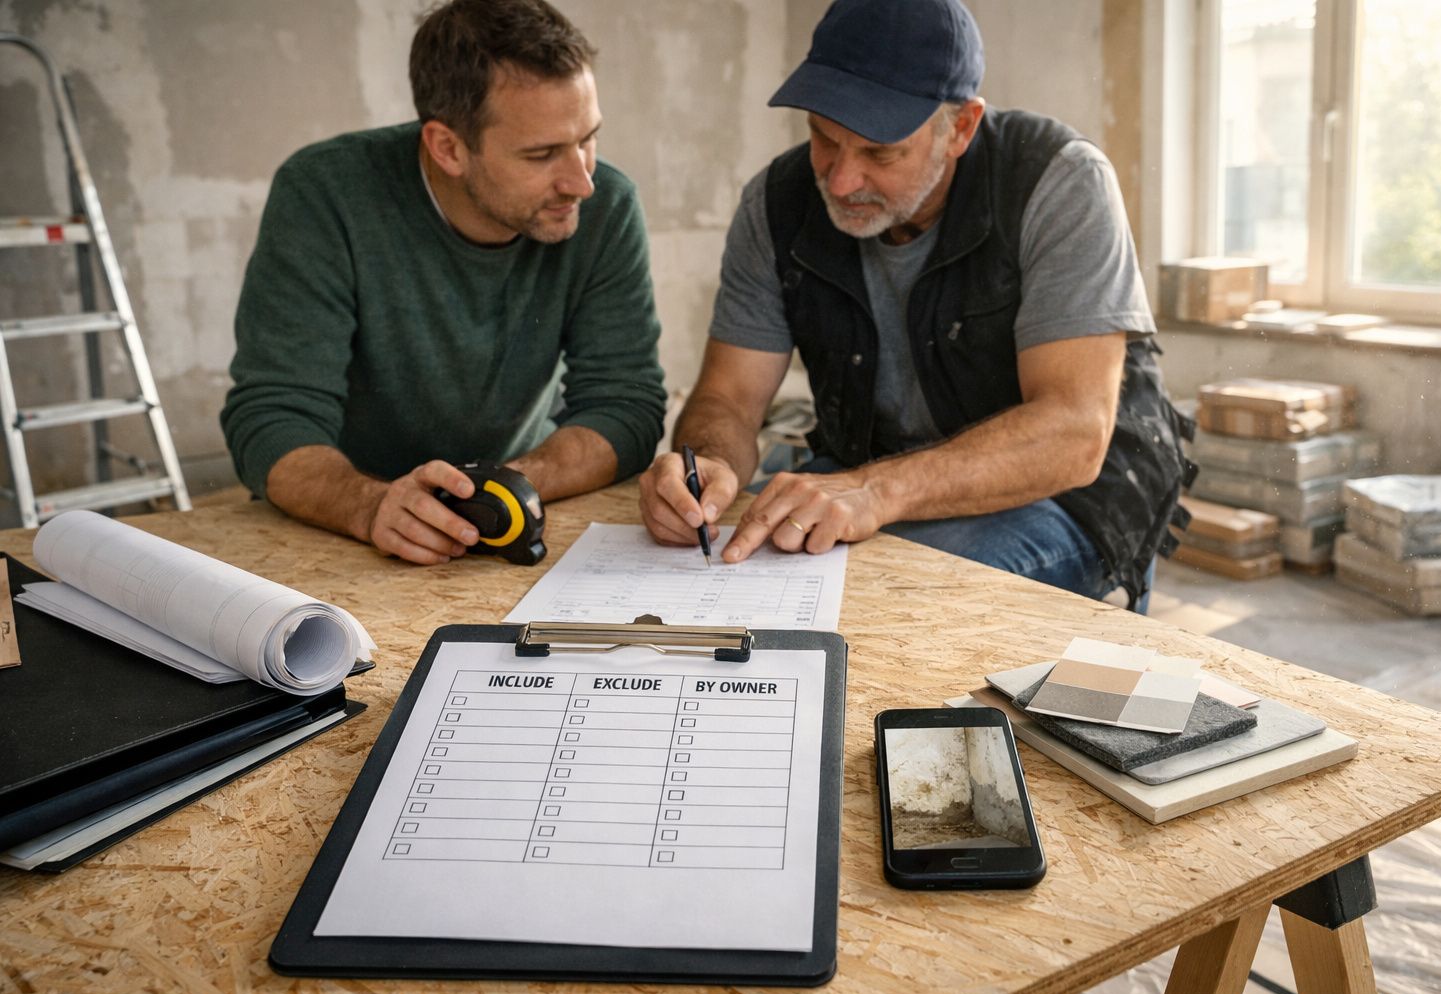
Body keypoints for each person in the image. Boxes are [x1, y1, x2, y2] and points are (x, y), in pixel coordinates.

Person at [638, 0, 1193, 610]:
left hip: (1063, 496)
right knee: (722, 576)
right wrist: (709, 467)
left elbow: (1074, 433)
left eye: (880, 153)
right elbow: (728, 399)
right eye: (824, 138)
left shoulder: (1057, 181)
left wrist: (874, 491)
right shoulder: (777, 203)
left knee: (874, 602)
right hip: (869, 473)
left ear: (960, 128)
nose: (842, 180)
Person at [221, 0, 665, 565]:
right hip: (345, 532)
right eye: (542, 154)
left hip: (514, 516)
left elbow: (625, 404)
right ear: (448, 147)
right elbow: (272, 416)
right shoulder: (324, 194)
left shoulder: (609, 207)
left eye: (587, 138)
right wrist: (369, 506)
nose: (582, 181)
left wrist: (498, 491)